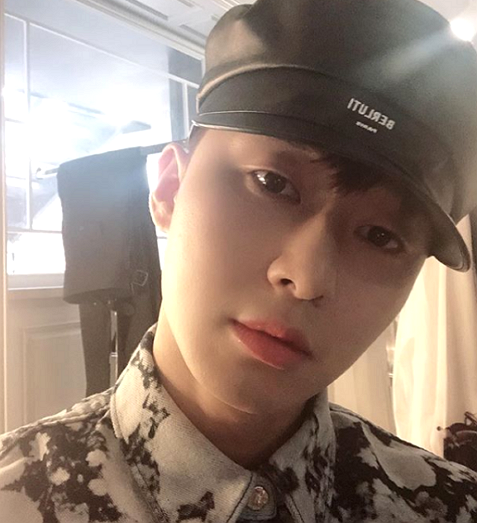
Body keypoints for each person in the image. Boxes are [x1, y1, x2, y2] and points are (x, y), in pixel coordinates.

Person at [2, 0, 477, 521]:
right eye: (273, 183)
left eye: (380, 236)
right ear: (170, 187)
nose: (307, 277)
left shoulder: (447, 507)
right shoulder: (18, 498)